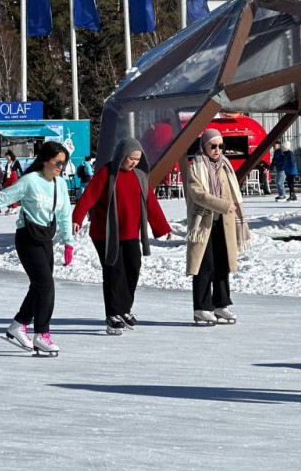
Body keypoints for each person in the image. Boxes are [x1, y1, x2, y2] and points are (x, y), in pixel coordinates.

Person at [0, 141, 74, 356]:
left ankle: (18, 325)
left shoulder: (60, 184)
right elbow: (2, 198)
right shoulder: (29, 181)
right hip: (27, 238)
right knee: (45, 285)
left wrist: (69, 242)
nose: (61, 167)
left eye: (64, 164)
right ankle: (41, 335)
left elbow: (64, 215)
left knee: (39, 286)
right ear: (45, 160)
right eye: (57, 163)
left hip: (46, 238)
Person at [72, 138, 171, 334]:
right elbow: (89, 196)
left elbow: (150, 203)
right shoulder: (106, 173)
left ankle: (125, 309)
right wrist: (77, 217)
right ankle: (113, 314)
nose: (134, 162)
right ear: (121, 156)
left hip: (130, 232)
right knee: (114, 272)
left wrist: (163, 227)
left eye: (137, 159)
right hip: (106, 234)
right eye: (130, 158)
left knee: (133, 268)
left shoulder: (140, 176)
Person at [184, 128, 251, 326]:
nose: (217, 150)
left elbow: (232, 192)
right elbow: (198, 195)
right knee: (205, 266)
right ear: (204, 146)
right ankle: (201, 308)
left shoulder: (225, 166)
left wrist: (233, 209)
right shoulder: (196, 167)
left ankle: (221, 303)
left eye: (221, 146)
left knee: (223, 264)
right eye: (213, 146)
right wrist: (223, 205)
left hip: (225, 223)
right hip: (203, 224)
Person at [2, 150, 23, 215]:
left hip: (14, 177)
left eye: (8, 156)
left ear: (11, 156)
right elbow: (6, 173)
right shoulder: (7, 163)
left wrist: (23, 177)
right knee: (8, 193)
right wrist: (3, 181)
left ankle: (14, 208)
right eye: (6, 157)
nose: (7, 158)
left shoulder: (16, 162)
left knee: (13, 193)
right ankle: (10, 207)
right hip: (8, 178)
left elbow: (20, 170)